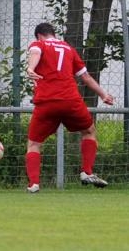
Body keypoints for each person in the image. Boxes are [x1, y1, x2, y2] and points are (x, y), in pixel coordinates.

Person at [25, 23, 114, 193]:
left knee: (34, 144)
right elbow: (85, 77)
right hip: (70, 100)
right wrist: (103, 94)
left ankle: (34, 184)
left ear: (39, 36)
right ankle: (87, 172)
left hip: (46, 102)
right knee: (89, 131)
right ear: (53, 34)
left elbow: (35, 52)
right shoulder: (68, 48)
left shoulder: (39, 44)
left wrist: (31, 67)